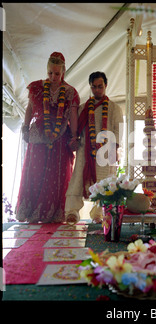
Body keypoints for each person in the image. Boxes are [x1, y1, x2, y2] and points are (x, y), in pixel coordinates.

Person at [16, 52, 80, 223]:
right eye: (50, 73)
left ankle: (52, 214)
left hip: (60, 139)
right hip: (38, 137)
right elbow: (29, 108)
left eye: (57, 74)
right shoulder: (36, 87)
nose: (53, 77)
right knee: (35, 172)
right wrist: (25, 127)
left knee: (55, 177)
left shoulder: (70, 92)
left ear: (63, 72)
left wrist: (74, 137)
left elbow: (73, 115)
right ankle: (31, 212)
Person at [65, 71, 123, 224]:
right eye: (94, 87)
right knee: (78, 179)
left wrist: (115, 149)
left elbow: (118, 130)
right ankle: (72, 212)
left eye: (100, 86)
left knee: (104, 182)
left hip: (106, 151)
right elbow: (75, 130)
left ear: (106, 85)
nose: (97, 90)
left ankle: (99, 214)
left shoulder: (114, 108)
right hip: (85, 150)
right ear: (90, 87)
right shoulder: (83, 108)